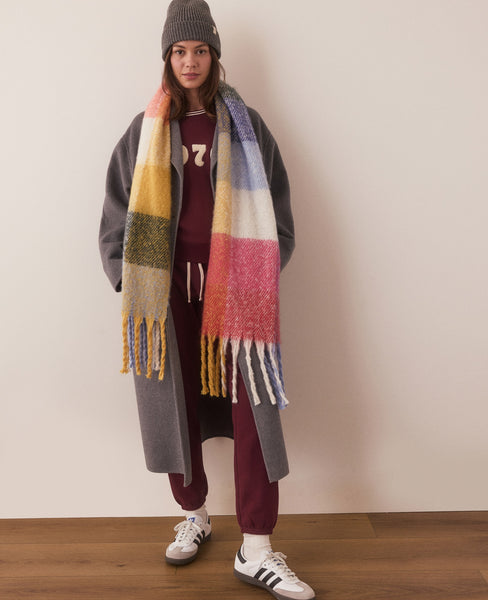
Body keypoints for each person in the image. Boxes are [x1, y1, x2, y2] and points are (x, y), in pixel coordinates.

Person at [99, 1, 314, 598]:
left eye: (199, 50)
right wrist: (126, 279)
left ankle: (257, 546)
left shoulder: (247, 126)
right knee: (177, 407)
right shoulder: (145, 130)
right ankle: (194, 513)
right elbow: (116, 209)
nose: (189, 61)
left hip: (236, 292)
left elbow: (278, 211)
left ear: (214, 57)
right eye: (179, 51)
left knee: (253, 412)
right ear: (167, 59)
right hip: (165, 295)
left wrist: (263, 269)